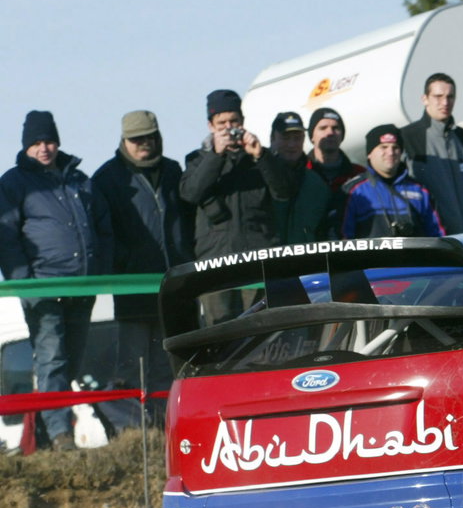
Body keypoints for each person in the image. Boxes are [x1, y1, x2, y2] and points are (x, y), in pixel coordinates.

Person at [0, 111, 112, 452]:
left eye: (48, 140)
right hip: (43, 288)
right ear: (26, 146)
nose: (44, 148)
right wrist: (25, 282)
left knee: (73, 359)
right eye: (36, 143)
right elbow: (6, 239)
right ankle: (61, 434)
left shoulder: (78, 179)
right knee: (52, 358)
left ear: (58, 141)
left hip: (82, 286)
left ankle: (50, 432)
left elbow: (103, 227)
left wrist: (100, 274)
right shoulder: (13, 183)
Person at [91, 110, 194, 414]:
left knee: (166, 363)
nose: (144, 144)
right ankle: (135, 434)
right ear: (124, 140)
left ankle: (164, 426)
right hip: (131, 289)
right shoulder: (107, 179)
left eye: (149, 137)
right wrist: (122, 265)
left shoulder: (174, 172)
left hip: (173, 287)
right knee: (132, 368)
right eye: (136, 139)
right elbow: (101, 232)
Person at [179, 88, 293, 269]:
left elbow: (283, 192)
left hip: (259, 256)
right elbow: (191, 194)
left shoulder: (261, 157)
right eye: (221, 123)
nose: (228, 128)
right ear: (211, 126)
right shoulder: (198, 159)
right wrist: (216, 155)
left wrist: (260, 156)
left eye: (234, 121)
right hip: (215, 259)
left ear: (242, 121)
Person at [399, 72, 463, 235]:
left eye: (450, 96)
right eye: (438, 96)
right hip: (436, 239)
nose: (445, 102)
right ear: (424, 99)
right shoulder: (409, 137)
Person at [342, 125, 445, 238]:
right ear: (369, 153)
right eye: (383, 147)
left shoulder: (420, 190)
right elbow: (343, 238)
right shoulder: (354, 191)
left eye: (395, 147)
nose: (390, 152)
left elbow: (437, 234)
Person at [281, 107, 365, 243]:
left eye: (335, 128)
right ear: (311, 136)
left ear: (342, 135)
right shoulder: (299, 174)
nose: (330, 133)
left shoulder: (359, 175)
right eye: (323, 128)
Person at [269, 111, 308, 242]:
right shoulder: (256, 177)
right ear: (272, 139)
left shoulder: (316, 183)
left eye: (297, 138)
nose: (292, 144)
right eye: (285, 138)